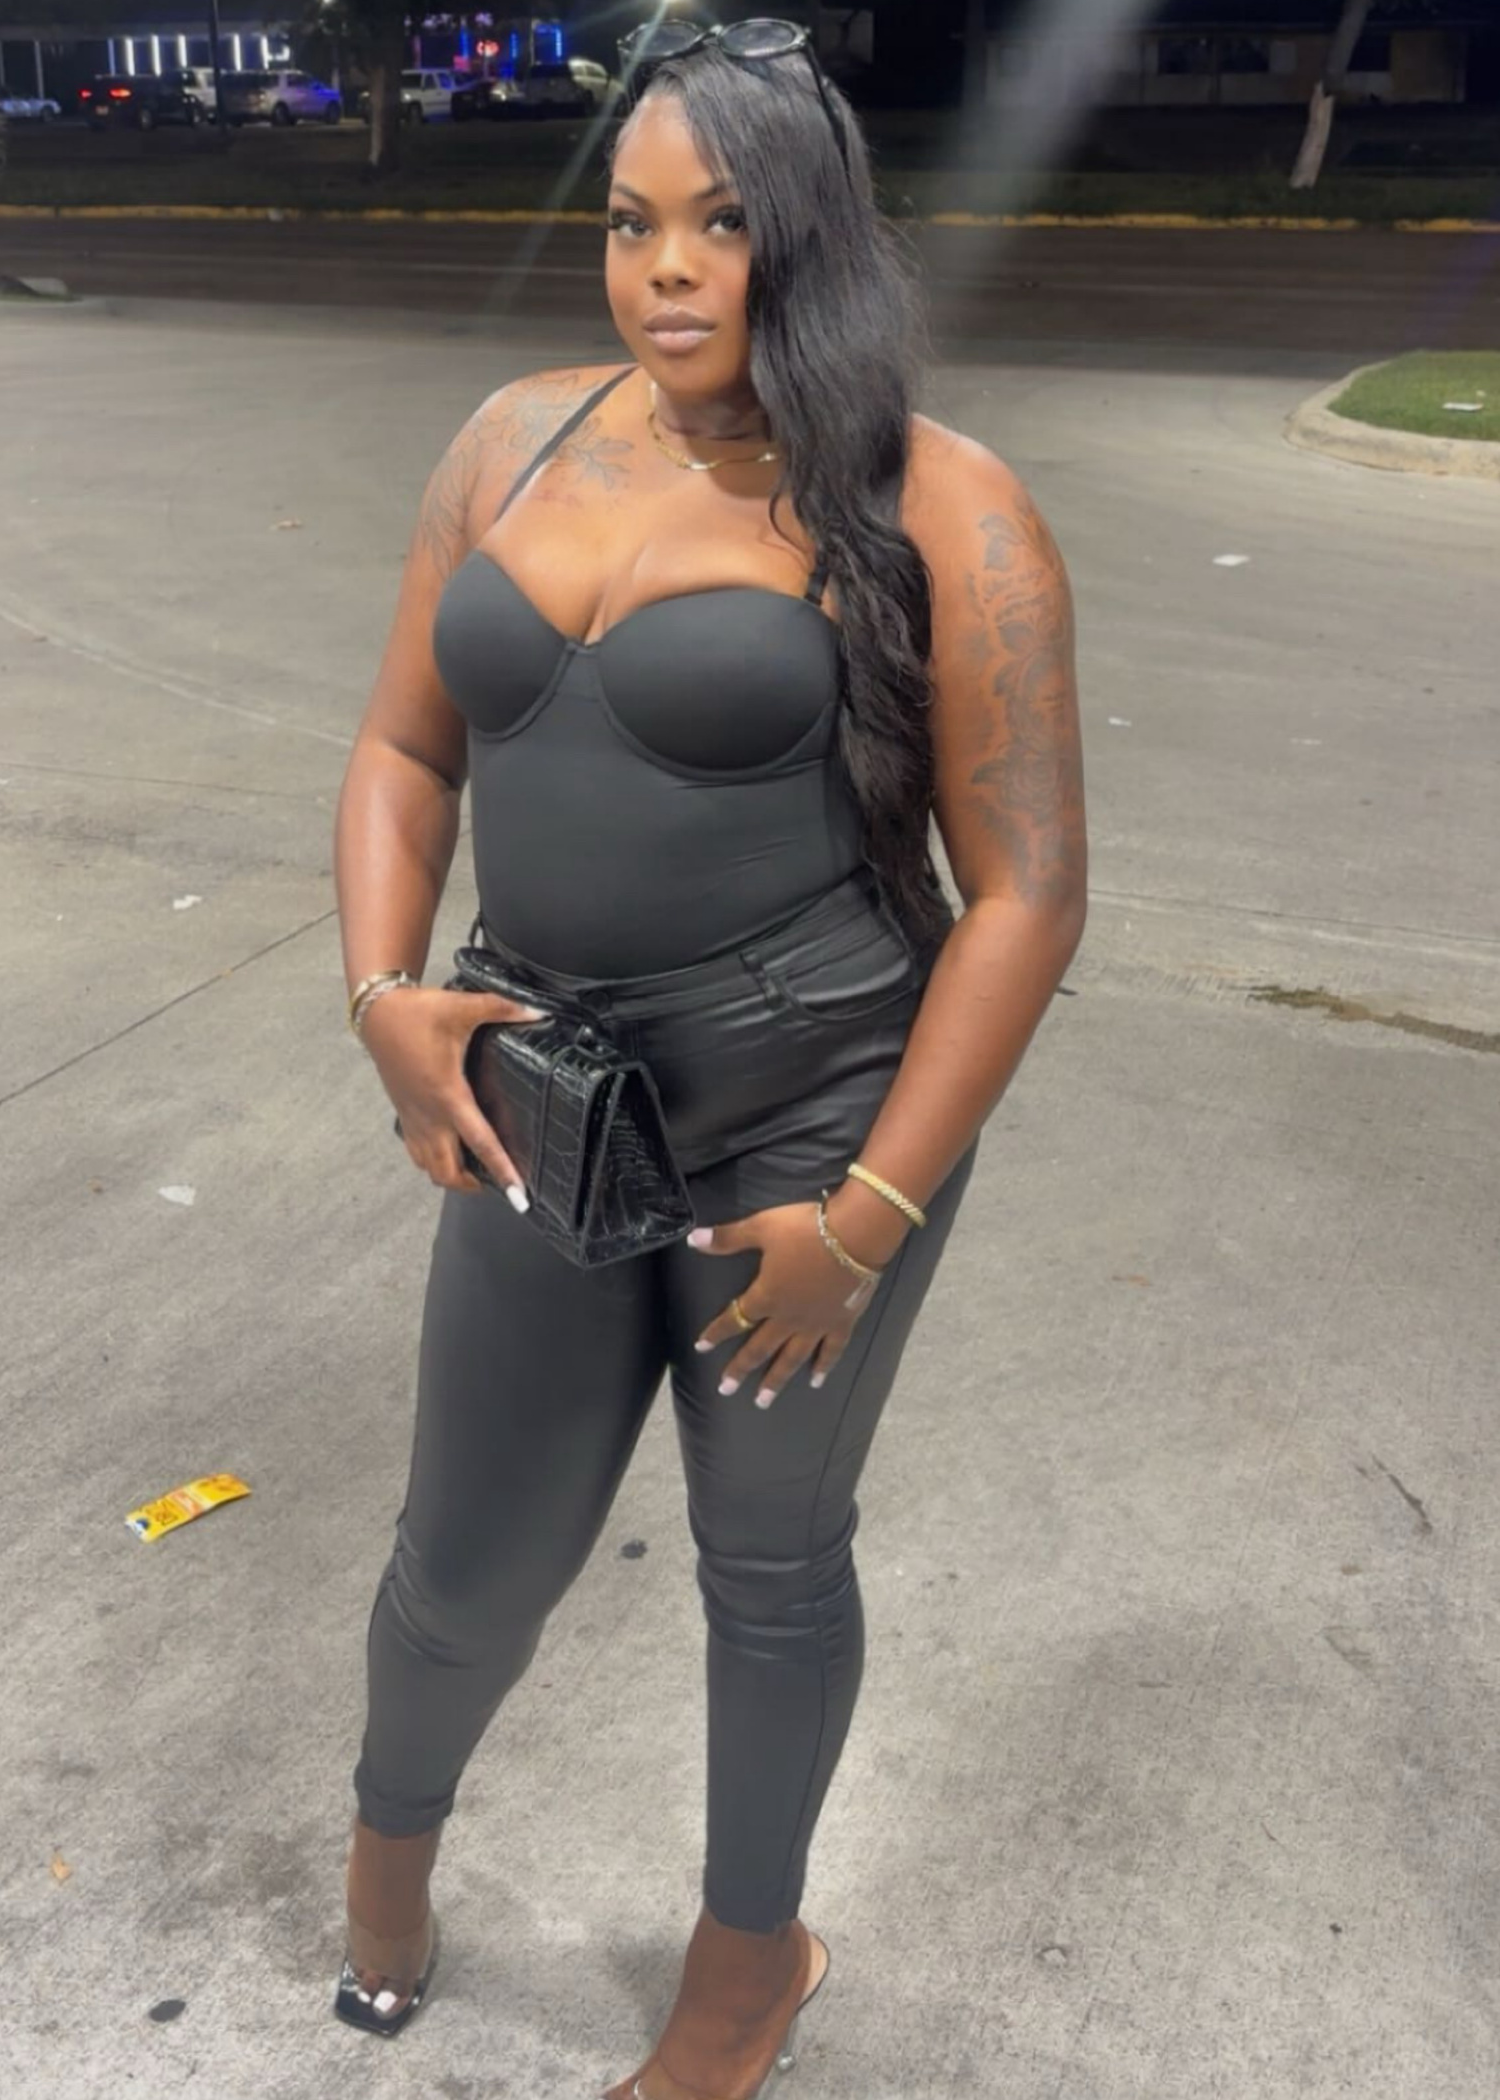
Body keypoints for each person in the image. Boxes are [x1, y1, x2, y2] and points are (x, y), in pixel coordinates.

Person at [330, 19, 1087, 2098]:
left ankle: (750, 1965)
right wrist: (382, 996)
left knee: (766, 1564)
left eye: (723, 223)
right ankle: (388, 1854)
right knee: (467, 1560)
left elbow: (1025, 896)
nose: (665, 268)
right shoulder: (509, 443)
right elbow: (402, 747)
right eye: (629, 221)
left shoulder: (940, 503)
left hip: (813, 1128)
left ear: (810, 239)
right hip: (543, 1106)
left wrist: (871, 1213)